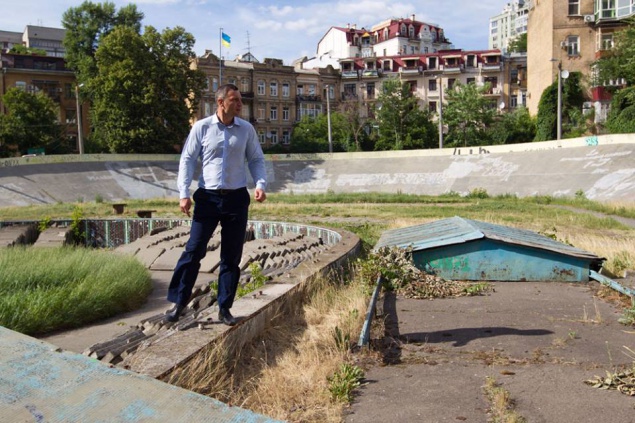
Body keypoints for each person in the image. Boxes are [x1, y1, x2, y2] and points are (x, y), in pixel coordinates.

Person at [165, 83, 267, 325]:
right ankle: (178, 302)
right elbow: (187, 160)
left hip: (236, 198)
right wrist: (183, 192)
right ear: (221, 102)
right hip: (207, 198)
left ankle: (224, 308)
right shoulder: (202, 128)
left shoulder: (246, 130)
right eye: (235, 100)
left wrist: (260, 184)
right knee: (194, 250)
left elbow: (256, 159)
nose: (240, 104)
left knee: (231, 257)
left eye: (240, 100)